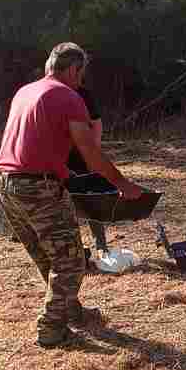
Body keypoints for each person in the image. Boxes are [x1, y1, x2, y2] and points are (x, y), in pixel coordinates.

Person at [0, 43, 145, 348]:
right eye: (81, 74)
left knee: (50, 257)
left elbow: (35, 142)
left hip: (4, 183)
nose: (81, 81)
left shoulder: (26, 91)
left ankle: (71, 311)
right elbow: (90, 153)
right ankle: (51, 328)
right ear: (73, 69)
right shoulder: (68, 96)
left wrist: (64, 174)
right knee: (71, 261)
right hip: (37, 188)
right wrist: (123, 184)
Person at [64, 77, 109, 258]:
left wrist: (94, 152)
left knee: (91, 199)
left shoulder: (82, 93)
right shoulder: (48, 93)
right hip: (58, 157)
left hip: (82, 155)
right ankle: (76, 249)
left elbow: (96, 123)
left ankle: (101, 245)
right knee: (64, 202)